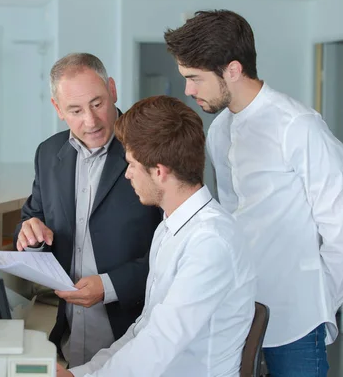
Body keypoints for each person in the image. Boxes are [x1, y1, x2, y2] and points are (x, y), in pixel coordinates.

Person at [164, 9, 343, 377]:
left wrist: (319, 307)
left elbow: (341, 234)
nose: (188, 90)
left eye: (194, 78)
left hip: (298, 322)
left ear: (233, 70)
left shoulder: (299, 126)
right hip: (240, 313)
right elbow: (230, 221)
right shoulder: (220, 130)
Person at [57, 95, 256, 377]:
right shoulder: (169, 228)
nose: (127, 175)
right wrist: (81, 373)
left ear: (160, 172)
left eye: (132, 165)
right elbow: (143, 330)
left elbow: (158, 344)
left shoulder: (210, 242)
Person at [13, 53, 162, 367]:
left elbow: (177, 252)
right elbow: (32, 216)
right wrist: (31, 233)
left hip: (134, 339)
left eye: (97, 103)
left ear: (112, 90)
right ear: (58, 109)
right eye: (76, 110)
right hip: (68, 337)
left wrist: (110, 285)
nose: (91, 121)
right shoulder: (48, 153)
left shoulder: (150, 150)